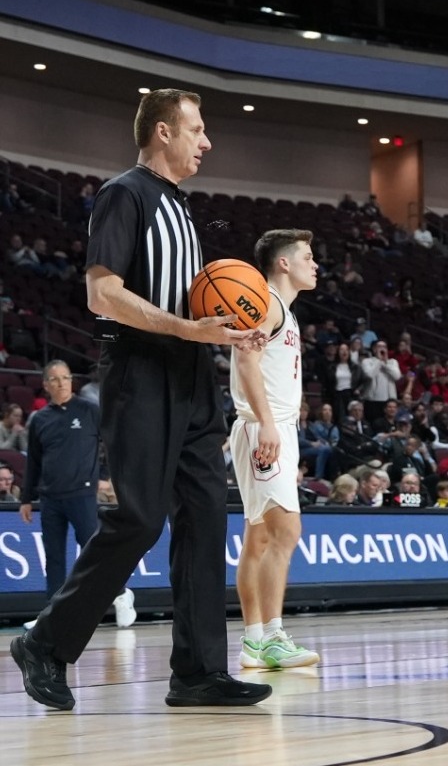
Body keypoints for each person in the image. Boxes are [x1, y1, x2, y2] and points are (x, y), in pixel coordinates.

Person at [10, 89, 272, 710]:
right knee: (140, 518)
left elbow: (195, 300)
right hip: (141, 373)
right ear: (163, 132)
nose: (206, 141)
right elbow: (102, 294)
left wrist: (232, 328)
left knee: (206, 519)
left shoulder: (184, 208)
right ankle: (45, 643)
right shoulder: (124, 194)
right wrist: (186, 329)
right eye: (197, 129)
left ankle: (198, 672)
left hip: (193, 377)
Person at [229, 229, 322, 671]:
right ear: (284, 263)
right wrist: (267, 423)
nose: (315, 264)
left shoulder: (280, 307)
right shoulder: (266, 302)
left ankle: (252, 641)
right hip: (263, 427)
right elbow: (245, 359)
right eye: (307, 256)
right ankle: (273, 638)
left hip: (269, 427)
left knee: (260, 537)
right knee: (285, 532)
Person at [16, 361, 136, 631]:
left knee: (94, 552)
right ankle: (51, 616)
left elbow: (114, 441)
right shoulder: (39, 419)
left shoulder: (89, 410)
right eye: (55, 379)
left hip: (81, 495)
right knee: (54, 557)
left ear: (72, 381)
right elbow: (33, 461)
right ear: (45, 385)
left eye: (65, 377)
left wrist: (104, 474)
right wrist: (25, 499)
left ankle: (120, 594)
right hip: (50, 498)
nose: (61, 383)